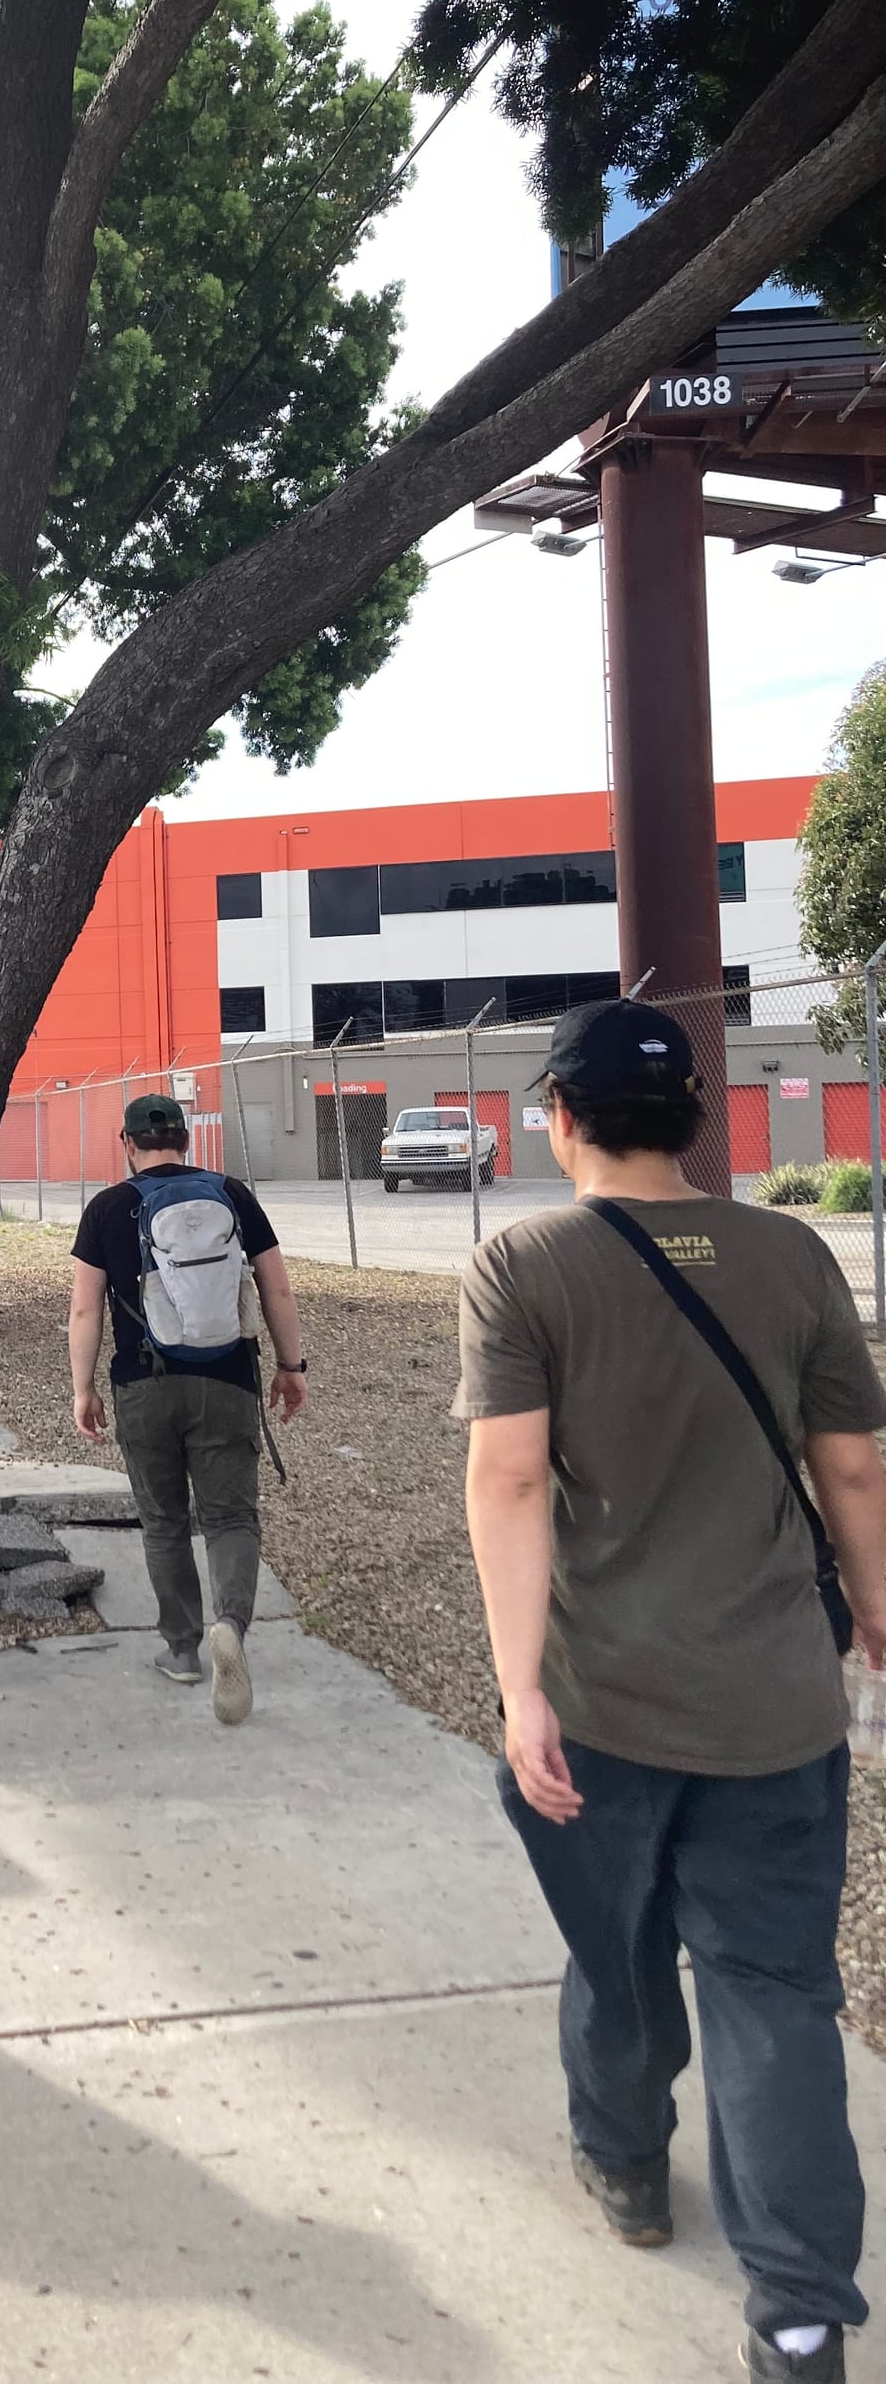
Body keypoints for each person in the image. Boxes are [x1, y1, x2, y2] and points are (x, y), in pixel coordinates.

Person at [457, 998, 886, 2384]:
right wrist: (876, 1614)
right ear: (694, 1120)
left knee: (620, 1952)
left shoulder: (523, 1263)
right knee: (775, 1994)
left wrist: (520, 1686)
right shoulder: (791, 1252)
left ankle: (630, 2165)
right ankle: (803, 2315)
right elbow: (857, 1468)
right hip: (774, 1703)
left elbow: (512, 1478)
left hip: (598, 1698)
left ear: (564, 1116)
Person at [67, 1091, 307, 1723]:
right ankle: (230, 1622)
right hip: (226, 1378)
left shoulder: (108, 1208)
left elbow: (86, 1309)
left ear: (127, 1145)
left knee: (164, 1520)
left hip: (142, 1383)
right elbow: (275, 1284)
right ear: (185, 1139)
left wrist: (82, 1387)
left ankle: (181, 1650)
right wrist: (290, 1365)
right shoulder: (231, 1193)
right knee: (230, 1517)